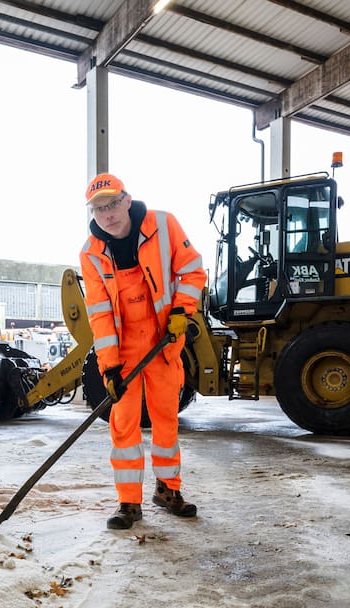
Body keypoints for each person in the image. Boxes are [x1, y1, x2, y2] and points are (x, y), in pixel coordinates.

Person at [79, 172, 208, 530]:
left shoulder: (163, 226)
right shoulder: (91, 254)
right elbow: (100, 316)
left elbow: (193, 271)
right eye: (99, 208)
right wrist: (109, 369)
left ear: (126, 200)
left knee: (166, 418)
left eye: (112, 203)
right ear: (93, 212)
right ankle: (129, 502)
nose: (108, 214)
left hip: (164, 342)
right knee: (124, 426)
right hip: (123, 351)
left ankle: (167, 491)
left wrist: (182, 311)